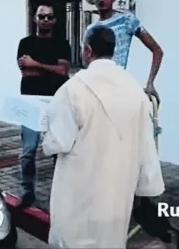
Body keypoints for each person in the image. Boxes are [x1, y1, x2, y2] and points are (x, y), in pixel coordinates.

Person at [42, 25, 165, 248]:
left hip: (80, 191)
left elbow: (57, 142)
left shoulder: (72, 90)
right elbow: (146, 143)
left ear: (88, 51)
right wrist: (147, 185)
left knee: (73, 239)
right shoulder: (135, 90)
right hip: (116, 191)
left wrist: (45, 130)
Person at [16, 5, 71, 207]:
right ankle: (27, 190)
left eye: (49, 16)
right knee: (28, 151)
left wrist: (36, 64)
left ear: (55, 20)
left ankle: (58, 193)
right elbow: (26, 73)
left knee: (58, 149)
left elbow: (64, 72)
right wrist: (51, 69)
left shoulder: (62, 43)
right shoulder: (25, 43)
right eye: (42, 16)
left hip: (56, 102)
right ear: (35, 19)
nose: (45, 20)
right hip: (30, 103)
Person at [85, 0, 164, 101]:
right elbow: (86, 63)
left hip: (119, 89)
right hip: (96, 91)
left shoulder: (127, 20)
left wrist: (150, 83)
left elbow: (157, 50)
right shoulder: (91, 30)